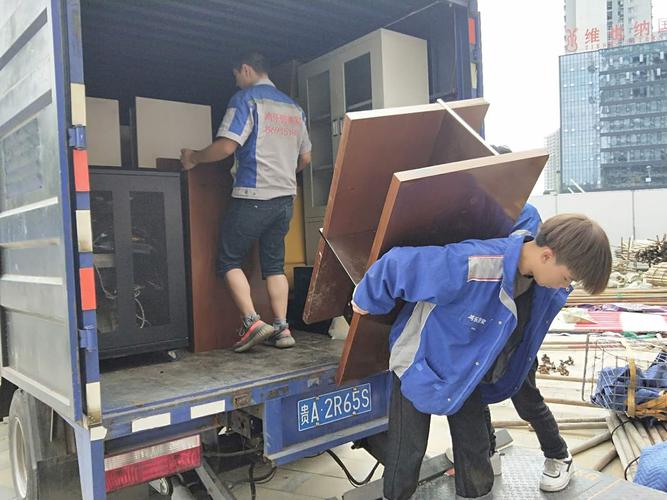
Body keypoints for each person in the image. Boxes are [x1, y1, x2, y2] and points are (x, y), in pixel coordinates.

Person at [351, 209, 612, 499]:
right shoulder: (475, 264)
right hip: (418, 361)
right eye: (566, 277)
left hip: (467, 368)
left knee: (476, 452)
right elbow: (398, 265)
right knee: (407, 454)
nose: (565, 286)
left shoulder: (541, 284)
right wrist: (365, 300)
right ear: (547, 255)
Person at [181, 52, 312, 352]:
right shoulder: (294, 108)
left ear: (246, 69)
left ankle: (252, 322)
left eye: (236, 76)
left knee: (228, 259)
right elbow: (305, 158)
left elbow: (227, 146)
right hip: (285, 199)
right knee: (274, 265)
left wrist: (195, 157)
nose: (236, 83)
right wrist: (282, 174)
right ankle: (282, 328)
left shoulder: (246, 99)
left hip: (253, 195)